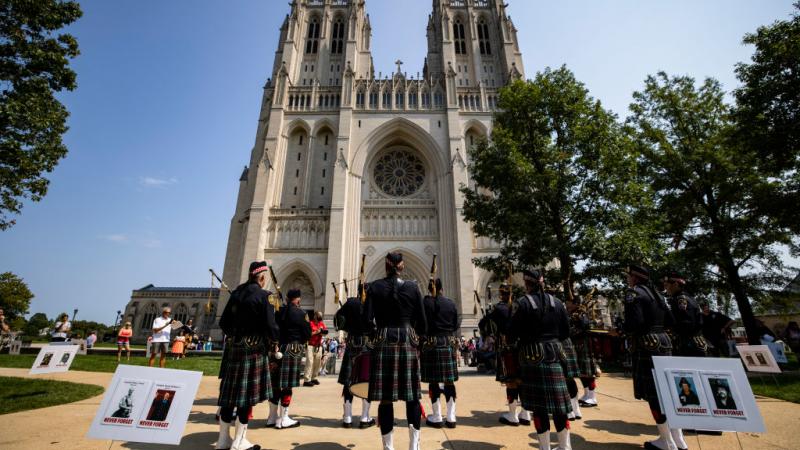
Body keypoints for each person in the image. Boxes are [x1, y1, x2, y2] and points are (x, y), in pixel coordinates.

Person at [362, 252, 427, 450]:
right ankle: (413, 447)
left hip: (384, 340)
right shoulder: (413, 287)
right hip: (407, 339)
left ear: (386, 266)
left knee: (385, 399)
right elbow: (423, 323)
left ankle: (388, 448)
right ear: (402, 266)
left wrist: (377, 334)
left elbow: (366, 321)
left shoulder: (374, 287)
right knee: (412, 397)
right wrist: (415, 337)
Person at [216, 260, 280, 450]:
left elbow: (224, 323)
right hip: (253, 350)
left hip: (234, 349)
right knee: (245, 398)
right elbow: (271, 326)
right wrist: (273, 342)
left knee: (229, 396)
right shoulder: (264, 296)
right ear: (261, 277)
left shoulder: (236, 293)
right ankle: (239, 441)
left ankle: (222, 440)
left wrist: (237, 335)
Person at [509, 269, 573, 450]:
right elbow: (566, 332)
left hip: (533, 356)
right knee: (560, 407)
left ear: (526, 283)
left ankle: (545, 447)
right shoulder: (558, 303)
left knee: (539, 408)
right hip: (555, 353)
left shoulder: (523, 303)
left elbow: (512, 334)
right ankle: (564, 446)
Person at [622, 264, 683, 450]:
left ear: (634, 278)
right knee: (668, 393)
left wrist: (622, 329)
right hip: (664, 342)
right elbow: (672, 321)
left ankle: (666, 440)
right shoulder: (659, 296)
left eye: (628, 276)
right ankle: (678, 439)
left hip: (647, 344)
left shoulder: (634, 294)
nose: (627, 279)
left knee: (654, 395)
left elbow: (636, 322)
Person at [488, 282, 531, 427]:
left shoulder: (498, 308)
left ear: (501, 294)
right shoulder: (520, 305)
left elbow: (488, 325)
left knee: (510, 381)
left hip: (507, 347)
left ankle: (512, 415)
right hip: (522, 347)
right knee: (523, 380)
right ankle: (525, 413)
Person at [267, 288, 311, 429]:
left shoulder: (279, 312)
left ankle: (272, 417)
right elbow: (307, 334)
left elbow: (273, 328)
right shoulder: (301, 313)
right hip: (293, 349)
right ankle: (284, 418)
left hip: (279, 348)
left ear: (287, 299)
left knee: (275, 384)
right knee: (287, 385)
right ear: (298, 299)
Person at [420, 279, 461, 428]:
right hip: (448, 341)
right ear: (442, 288)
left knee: (433, 381)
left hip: (432, 342)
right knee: (449, 381)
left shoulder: (426, 303)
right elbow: (456, 323)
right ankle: (451, 417)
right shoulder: (450, 303)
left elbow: (421, 323)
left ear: (430, 288)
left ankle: (436, 416)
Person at [334, 287, 376, 429]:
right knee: (366, 381)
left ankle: (347, 418)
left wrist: (348, 327)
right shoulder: (372, 304)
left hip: (352, 343)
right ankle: (365, 418)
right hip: (367, 345)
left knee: (348, 381)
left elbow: (338, 319)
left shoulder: (351, 302)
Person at [565, 297, 599, 412]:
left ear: (575, 303)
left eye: (568, 302)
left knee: (587, 373)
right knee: (581, 372)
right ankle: (586, 395)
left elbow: (585, 327)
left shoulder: (581, 314)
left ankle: (592, 397)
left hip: (582, 345)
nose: (567, 304)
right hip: (576, 345)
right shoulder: (571, 313)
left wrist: (572, 333)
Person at [663, 272, 708, 357]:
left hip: (688, 344)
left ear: (676, 284)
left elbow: (686, 323)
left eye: (667, 285)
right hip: (694, 342)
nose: (665, 287)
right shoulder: (690, 298)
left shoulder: (681, 299)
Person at [304, 311, 327, 387]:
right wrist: (317, 332)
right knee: (310, 362)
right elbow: (307, 334)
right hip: (310, 345)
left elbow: (325, 332)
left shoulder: (321, 324)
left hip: (318, 346)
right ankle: (307, 380)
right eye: (319, 315)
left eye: (321, 315)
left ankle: (314, 378)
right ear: (315, 316)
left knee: (317, 362)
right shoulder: (310, 323)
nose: (320, 317)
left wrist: (322, 332)